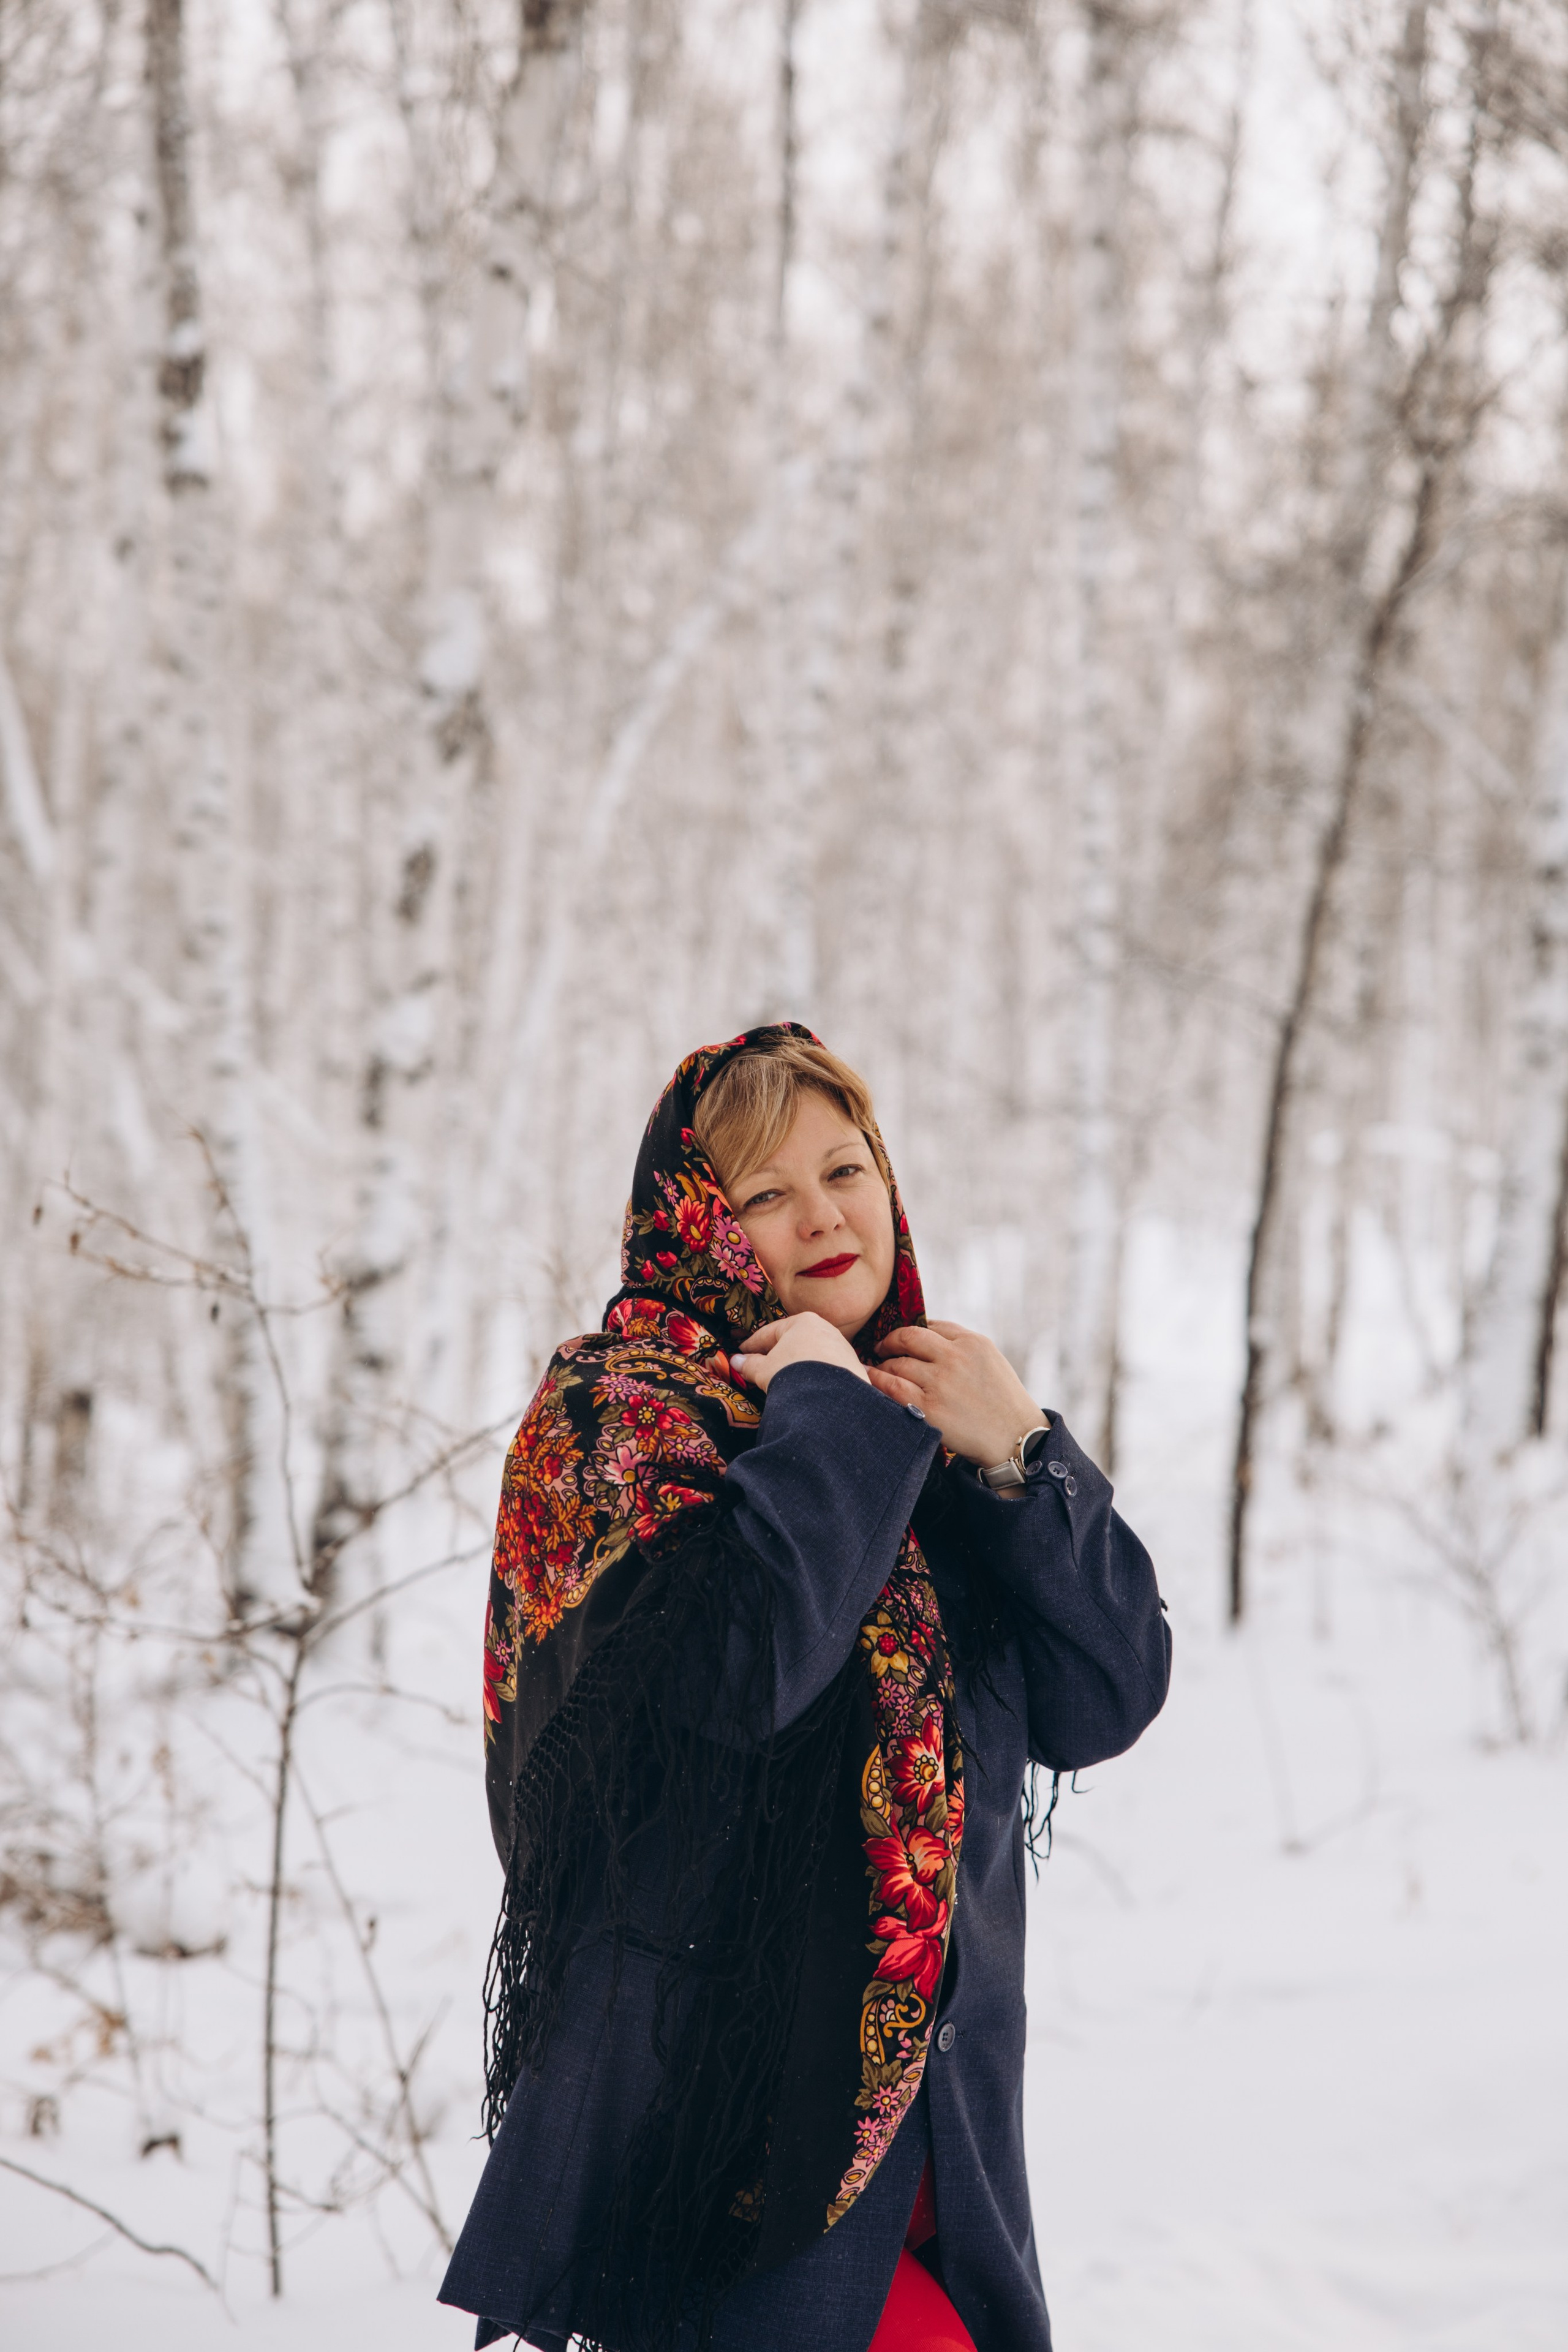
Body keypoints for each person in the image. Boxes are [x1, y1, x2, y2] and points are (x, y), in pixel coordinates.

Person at [439, 1025, 1170, 2352]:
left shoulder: (931, 1422)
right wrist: (829, 1423)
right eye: (765, 1193)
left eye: (846, 1169)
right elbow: (744, 1672)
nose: (825, 1216)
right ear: (700, 1228)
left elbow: (1104, 1695)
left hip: (944, 2176)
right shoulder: (619, 1418)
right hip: (726, 2169)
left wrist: (1017, 1455)